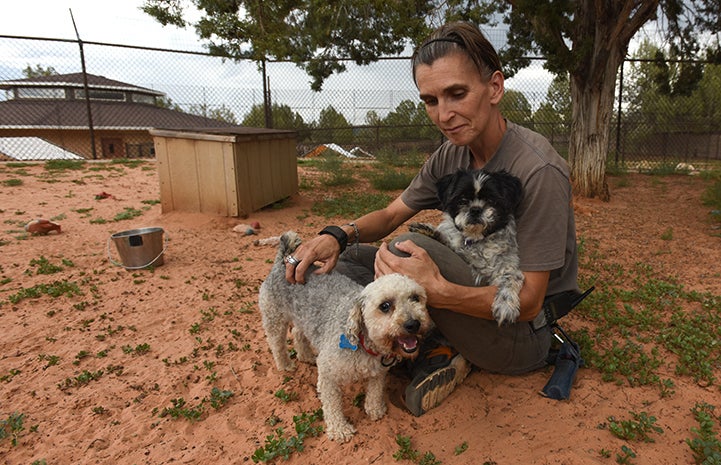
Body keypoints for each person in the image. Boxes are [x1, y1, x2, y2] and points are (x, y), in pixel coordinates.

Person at [283, 21, 579, 416]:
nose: (444, 114)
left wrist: (439, 292)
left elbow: (526, 304)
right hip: (470, 297)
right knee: (354, 259)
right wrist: (337, 235)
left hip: (521, 334)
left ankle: (439, 351)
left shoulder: (538, 170)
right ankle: (421, 342)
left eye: (457, 93)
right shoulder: (452, 154)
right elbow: (392, 212)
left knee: (414, 247)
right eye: (430, 100)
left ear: (494, 87)